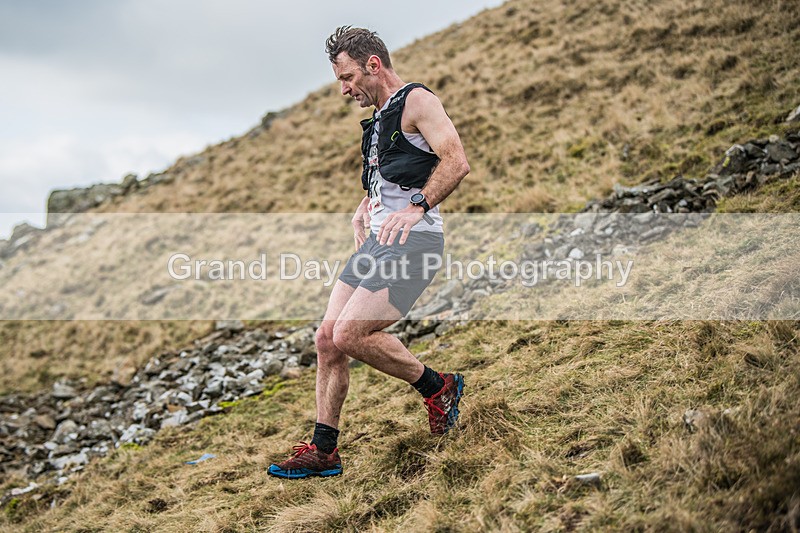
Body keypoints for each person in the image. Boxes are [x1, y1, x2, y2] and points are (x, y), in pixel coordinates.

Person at [268, 26, 470, 479]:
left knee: (350, 335)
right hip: (379, 242)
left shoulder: (418, 100)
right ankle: (324, 452)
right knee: (326, 338)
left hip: (414, 243)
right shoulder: (380, 117)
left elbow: (456, 161)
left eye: (347, 77)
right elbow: (392, 177)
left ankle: (440, 388)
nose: (345, 90)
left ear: (373, 65)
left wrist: (418, 207)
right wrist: (365, 207)